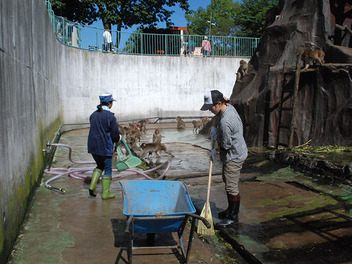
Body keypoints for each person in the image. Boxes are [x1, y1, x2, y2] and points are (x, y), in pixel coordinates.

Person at [201, 90, 248, 228]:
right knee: (227, 180)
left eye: (211, 107)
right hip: (235, 152)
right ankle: (229, 210)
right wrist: (214, 127)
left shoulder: (226, 121)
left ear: (219, 103)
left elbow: (226, 145)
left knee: (231, 186)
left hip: (234, 155)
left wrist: (215, 150)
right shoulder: (228, 108)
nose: (209, 110)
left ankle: (233, 218)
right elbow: (219, 114)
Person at [88, 93, 120, 199]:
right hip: (104, 146)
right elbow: (115, 135)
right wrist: (118, 139)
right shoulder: (110, 117)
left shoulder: (93, 115)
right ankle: (106, 193)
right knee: (107, 168)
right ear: (110, 104)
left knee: (99, 165)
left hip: (92, 146)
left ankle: (92, 186)